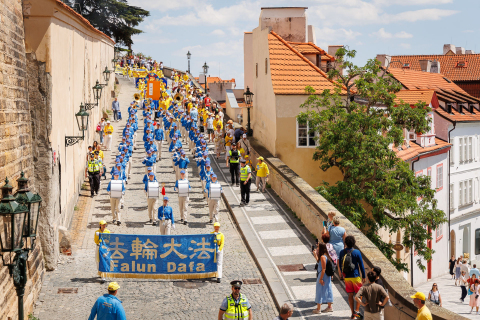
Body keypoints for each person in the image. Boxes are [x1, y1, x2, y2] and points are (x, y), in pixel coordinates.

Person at [339, 235, 366, 320]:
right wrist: (364, 276)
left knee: (350, 294)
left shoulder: (341, 252)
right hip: (356, 276)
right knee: (359, 294)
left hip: (347, 277)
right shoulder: (357, 252)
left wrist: (343, 275)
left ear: (345, 243)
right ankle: (357, 310)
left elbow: (340, 265)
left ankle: (352, 313)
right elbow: (361, 265)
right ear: (354, 243)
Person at [312, 243, 333, 314]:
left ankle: (318, 309)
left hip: (322, 275)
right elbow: (319, 263)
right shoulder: (325, 256)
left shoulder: (323, 257)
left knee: (319, 290)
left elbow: (323, 268)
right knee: (327, 289)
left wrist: (320, 279)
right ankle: (329, 307)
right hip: (326, 276)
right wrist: (315, 254)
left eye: (318, 248)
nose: (317, 249)